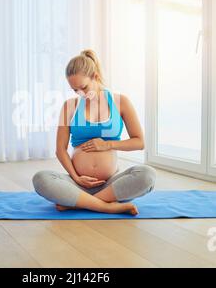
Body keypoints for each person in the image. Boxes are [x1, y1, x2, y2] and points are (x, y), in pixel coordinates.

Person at [32, 49, 156, 215]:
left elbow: (139, 142)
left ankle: (77, 202)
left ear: (95, 77)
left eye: (83, 87)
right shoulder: (69, 106)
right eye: (75, 90)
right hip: (76, 184)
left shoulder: (121, 102)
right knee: (41, 178)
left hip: (110, 184)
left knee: (147, 175)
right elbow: (60, 150)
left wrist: (107, 145)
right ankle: (105, 206)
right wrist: (76, 178)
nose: (80, 94)